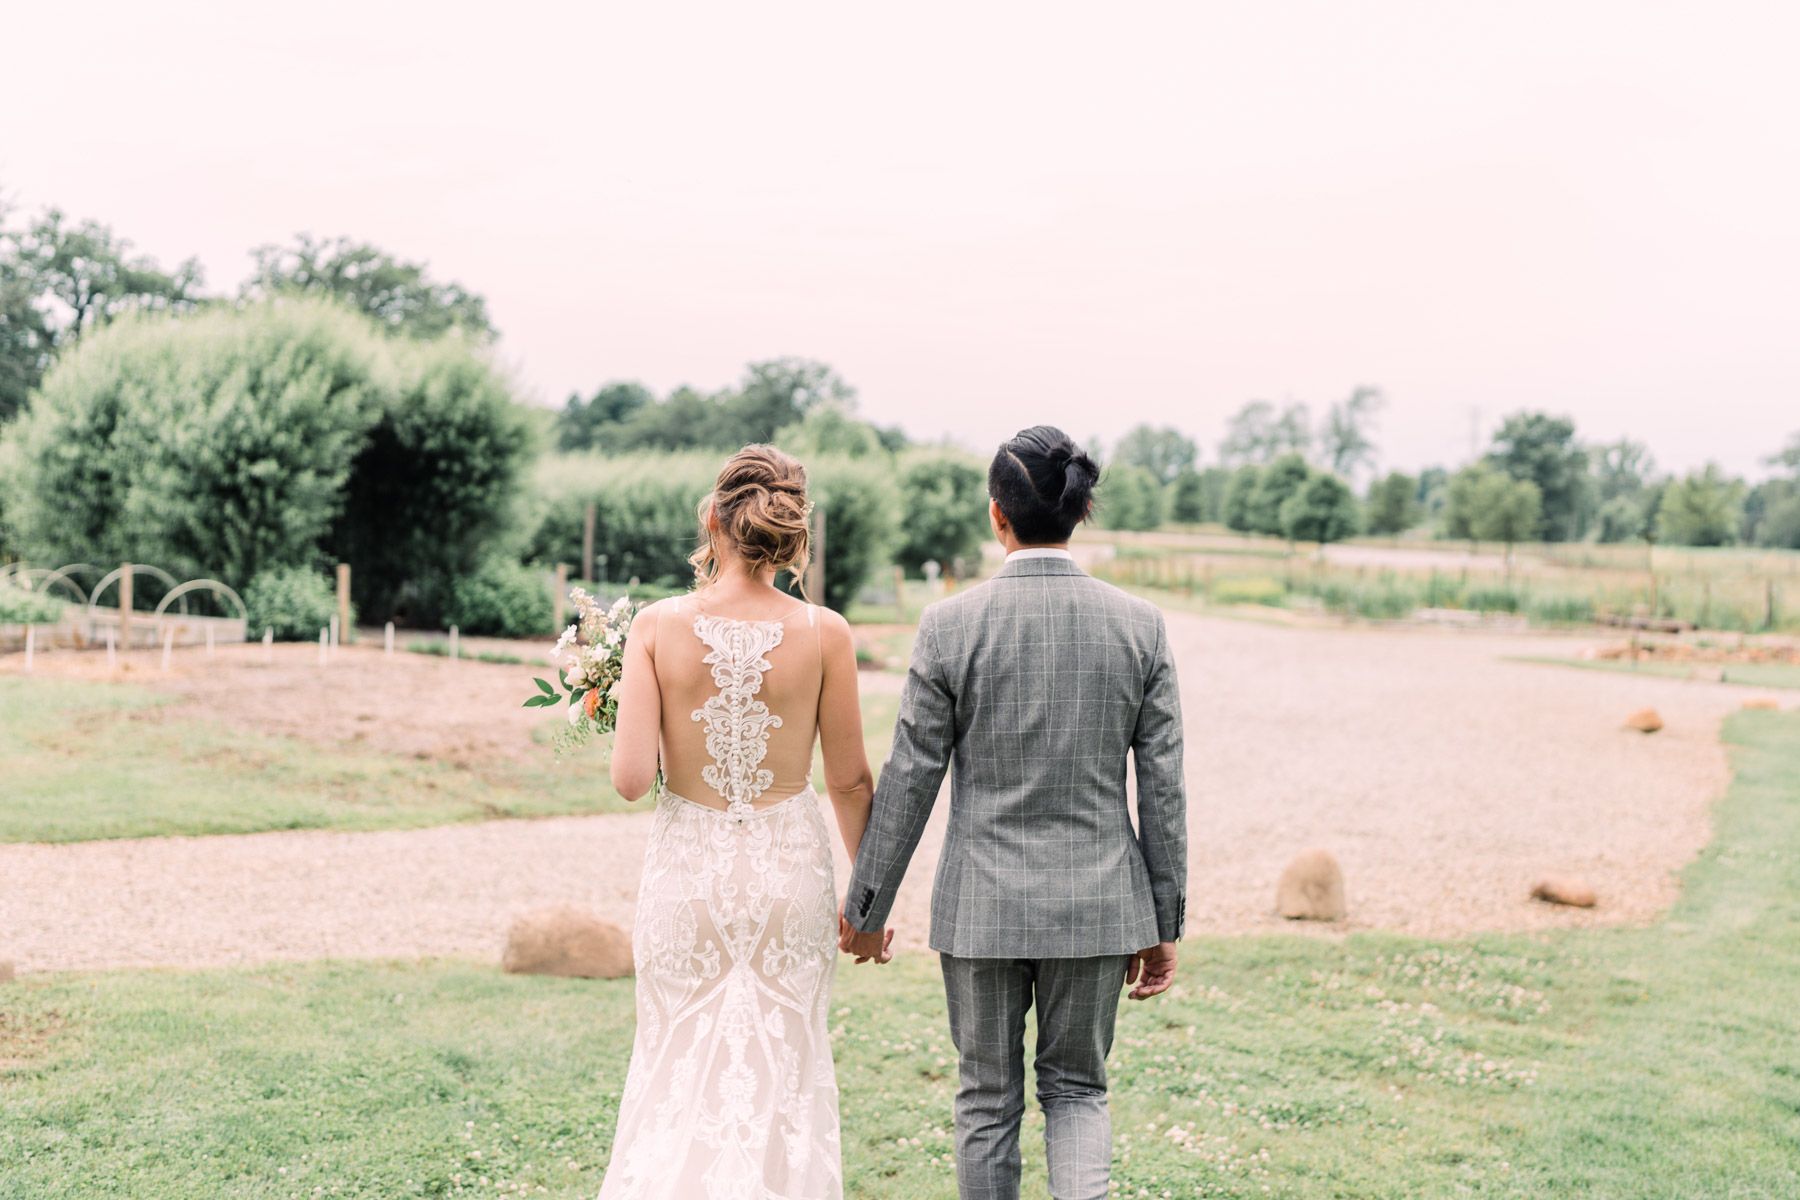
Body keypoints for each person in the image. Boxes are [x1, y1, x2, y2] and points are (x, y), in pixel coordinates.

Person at [841, 424, 1188, 1200]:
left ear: (997, 515)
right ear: (1080, 509)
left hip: (982, 907)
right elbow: (1162, 786)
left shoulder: (949, 626)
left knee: (986, 1100)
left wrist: (866, 907)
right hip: (1100, 906)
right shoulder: (1141, 626)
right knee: (1077, 1091)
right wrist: (1165, 923)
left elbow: (910, 778)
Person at [599, 444, 877, 1199]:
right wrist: (873, 904)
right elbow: (849, 780)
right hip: (790, 874)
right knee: (782, 1074)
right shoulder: (827, 632)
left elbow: (630, 781)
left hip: (686, 876)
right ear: (788, 534)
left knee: (674, 1068)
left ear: (714, 518)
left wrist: (614, 702)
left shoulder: (655, 626)